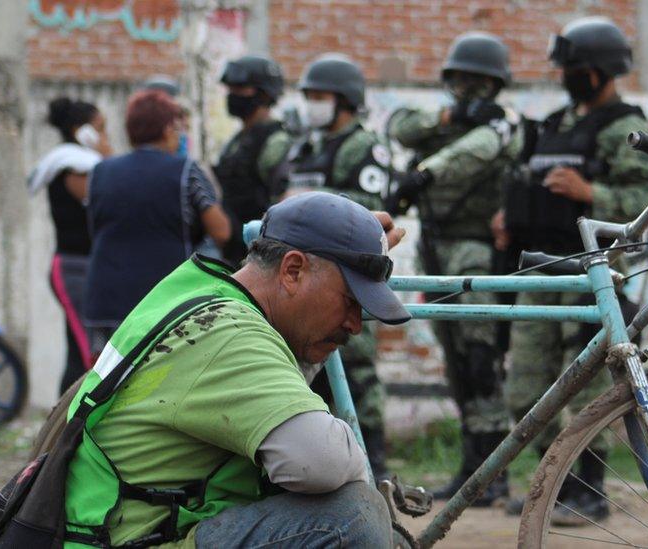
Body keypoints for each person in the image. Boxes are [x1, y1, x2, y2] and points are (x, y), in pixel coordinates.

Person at [61, 192, 405, 547]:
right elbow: (320, 462)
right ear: (292, 270)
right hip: (125, 540)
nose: (355, 324)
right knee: (352, 517)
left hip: (123, 532)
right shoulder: (227, 331)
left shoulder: (199, 292)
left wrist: (362, 248)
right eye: (350, 300)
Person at [493, 16, 648, 522]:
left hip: (593, 271)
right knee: (528, 389)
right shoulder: (555, 126)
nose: (566, 75)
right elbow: (529, 181)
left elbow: (641, 202)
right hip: (543, 270)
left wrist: (593, 195)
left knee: (587, 390)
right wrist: (510, 215)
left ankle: (590, 492)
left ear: (601, 71)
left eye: (576, 68)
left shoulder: (623, 128)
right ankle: (553, 485)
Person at [386, 32, 521, 506]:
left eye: (476, 81)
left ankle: (496, 468)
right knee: (457, 363)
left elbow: (476, 151)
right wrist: (447, 116)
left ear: (495, 84)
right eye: (460, 79)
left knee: (483, 360)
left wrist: (424, 173)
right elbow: (400, 126)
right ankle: (472, 465)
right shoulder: (437, 121)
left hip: (477, 252)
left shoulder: (502, 125)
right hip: (436, 251)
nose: (467, 88)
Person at [278, 53, 394, 480]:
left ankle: (375, 463)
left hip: (348, 276)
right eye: (307, 95)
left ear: (345, 100)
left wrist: (310, 201)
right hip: (301, 277)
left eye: (320, 96)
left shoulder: (364, 147)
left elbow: (375, 209)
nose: (311, 104)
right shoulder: (304, 147)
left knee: (357, 373)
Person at [83, 90, 231, 356]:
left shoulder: (100, 172)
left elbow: (95, 228)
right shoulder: (186, 170)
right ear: (167, 129)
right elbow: (221, 231)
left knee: (106, 384)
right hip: (165, 302)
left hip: (107, 300)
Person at [28, 97, 111, 395]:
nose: (105, 137)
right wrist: (107, 156)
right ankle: (65, 431)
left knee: (80, 350)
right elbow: (106, 206)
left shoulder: (81, 164)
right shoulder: (75, 166)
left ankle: (61, 429)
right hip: (74, 268)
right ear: (81, 131)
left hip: (83, 267)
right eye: (100, 129)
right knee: (87, 352)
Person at [214, 55, 293, 266]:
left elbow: (283, 200)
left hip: (260, 255)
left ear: (264, 94)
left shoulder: (275, 141)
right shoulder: (237, 140)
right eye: (231, 89)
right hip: (234, 254)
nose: (233, 95)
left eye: (241, 89)